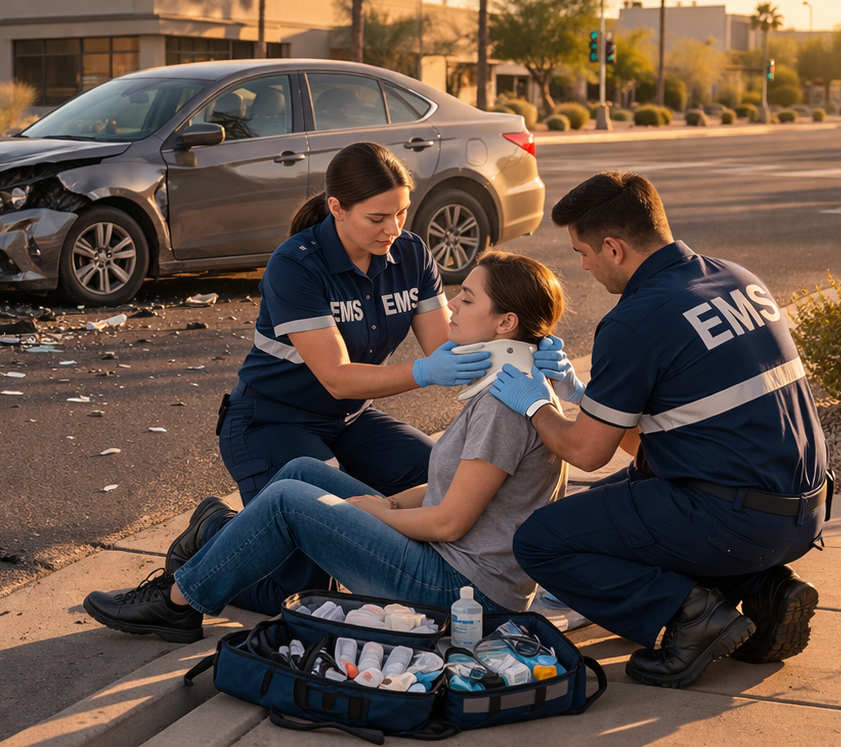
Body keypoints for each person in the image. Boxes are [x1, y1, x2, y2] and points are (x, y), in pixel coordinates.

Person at [81, 251, 569, 642]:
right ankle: (207, 557)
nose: (453, 307)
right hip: (453, 569)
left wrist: (369, 513)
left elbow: (448, 521)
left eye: (466, 298)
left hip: (465, 593)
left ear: (506, 325)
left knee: (289, 501)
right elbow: (450, 490)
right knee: (301, 473)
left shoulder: (506, 403)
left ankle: (176, 605)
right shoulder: (505, 381)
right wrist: (390, 502)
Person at [492, 171, 827, 689]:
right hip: (805, 511)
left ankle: (693, 617)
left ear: (614, 247)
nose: (583, 266)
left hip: (735, 519)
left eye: (583, 252)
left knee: (542, 539)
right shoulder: (738, 278)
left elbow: (585, 451)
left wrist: (536, 401)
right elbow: (659, 438)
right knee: (617, 508)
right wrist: (583, 394)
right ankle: (765, 589)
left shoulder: (635, 320)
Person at [186, 142, 493, 614]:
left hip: (352, 420)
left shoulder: (410, 254)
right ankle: (214, 532)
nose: (394, 228)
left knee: (448, 482)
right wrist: (424, 373)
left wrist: (519, 354)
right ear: (337, 209)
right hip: (272, 422)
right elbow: (339, 378)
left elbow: (445, 350)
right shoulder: (296, 264)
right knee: (307, 589)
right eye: (377, 217)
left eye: (402, 212)